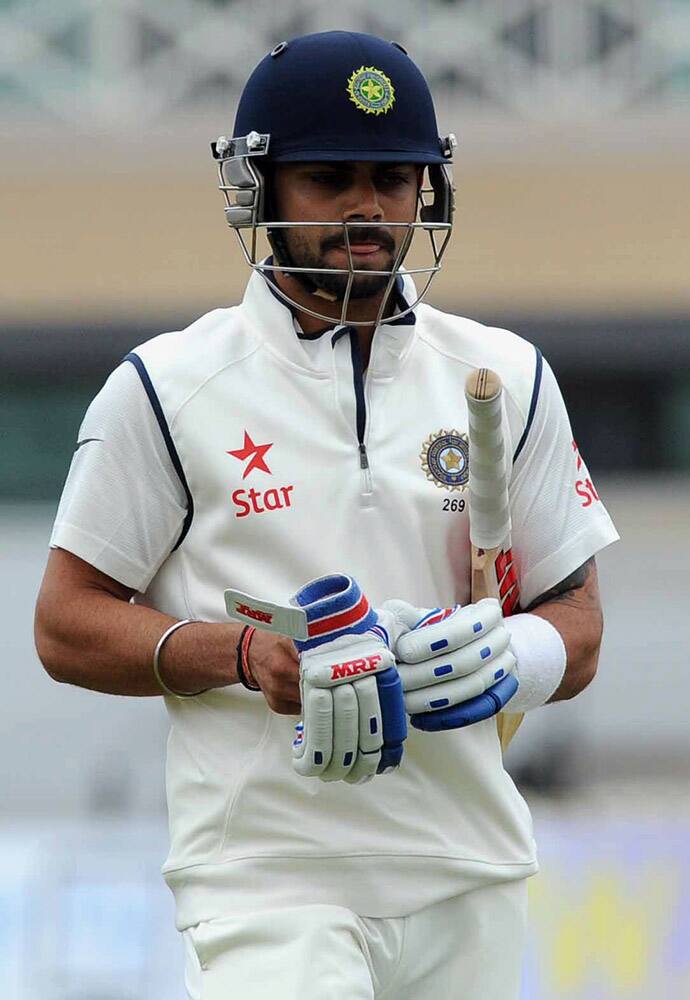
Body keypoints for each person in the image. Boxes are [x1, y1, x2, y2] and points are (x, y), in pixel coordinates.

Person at [35, 30, 618, 1000]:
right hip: (267, 880)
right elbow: (65, 621)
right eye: (329, 177)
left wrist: (508, 658)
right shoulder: (169, 388)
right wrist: (238, 654)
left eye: (395, 180)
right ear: (259, 191)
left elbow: (582, 622)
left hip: (467, 868)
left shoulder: (506, 376)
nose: (368, 206)